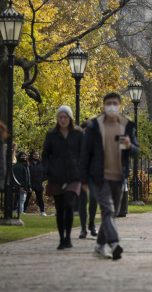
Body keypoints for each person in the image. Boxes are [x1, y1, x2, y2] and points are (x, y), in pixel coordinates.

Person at [81, 93, 139, 260]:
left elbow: (136, 151)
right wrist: (83, 179)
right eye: (109, 103)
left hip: (119, 176)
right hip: (100, 177)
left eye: (115, 103)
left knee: (112, 213)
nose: (112, 106)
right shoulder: (94, 126)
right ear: (104, 105)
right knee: (108, 210)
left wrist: (130, 147)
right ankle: (114, 244)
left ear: (119, 105)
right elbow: (85, 154)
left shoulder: (126, 125)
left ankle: (99, 246)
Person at [42, 106, 84, 250]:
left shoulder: (78, 134)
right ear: (57, 119)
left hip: (74, 176)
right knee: (59, 209)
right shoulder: (52, 135)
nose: (63, 120)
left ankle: (68, 237)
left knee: (68, 204)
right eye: (60, 117)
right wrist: (47, 169)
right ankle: (61, 239)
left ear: (70, 118)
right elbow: (45, 154)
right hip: (56, 176)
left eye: (65, 117)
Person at [78, 121, 98, 238]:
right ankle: (83, 228)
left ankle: (91, 223)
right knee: (82, 200)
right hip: (81, 174)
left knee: (94, 198)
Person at [25, 150, 46, 216]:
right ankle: (22, 211)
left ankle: (42, 211)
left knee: (40, 199)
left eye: (37, 154)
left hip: (38, 183)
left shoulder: (42, 163)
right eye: (34, 154)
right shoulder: (28, 163)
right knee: (26, 198)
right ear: (32, 155)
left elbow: (46, 173)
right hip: (30, 184)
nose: (36, 155)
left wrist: (41, 179)